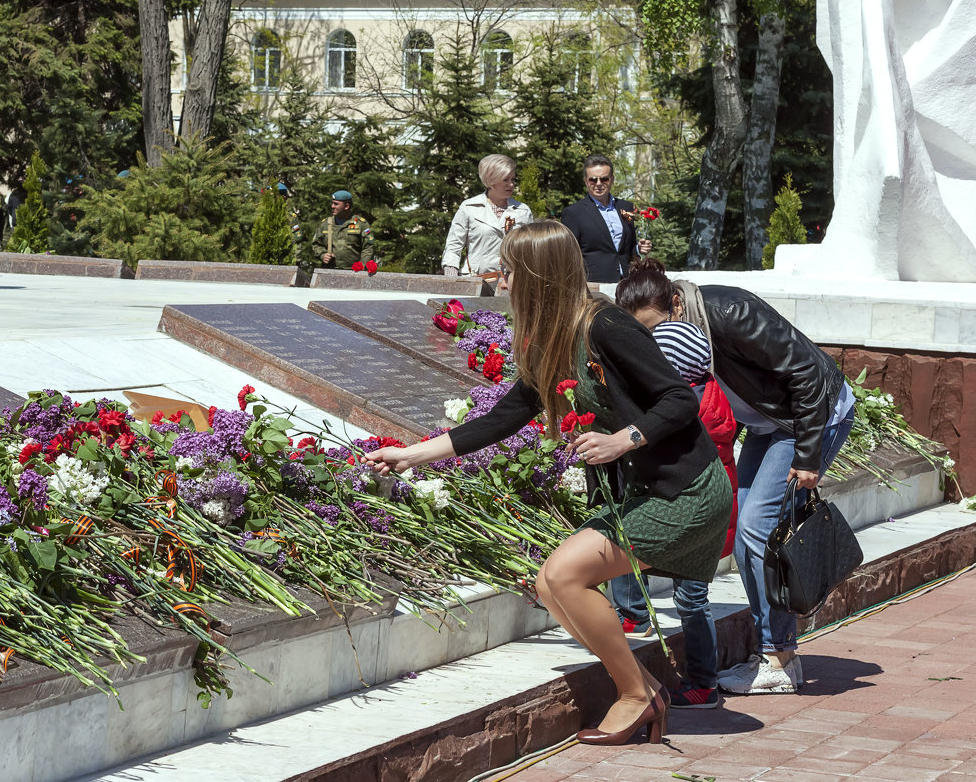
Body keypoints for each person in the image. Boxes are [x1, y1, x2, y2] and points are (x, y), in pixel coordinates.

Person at [365, 221, 732, 745]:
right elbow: (504, 417)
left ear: (539, 274)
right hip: (649, 492)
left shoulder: (607, 325)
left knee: (563, 576)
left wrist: (623, 439)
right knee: (550, 584)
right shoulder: (553, 338)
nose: (502, 281)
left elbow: (677, 398)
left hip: (687, 491)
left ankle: (637, 696)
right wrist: (411, 455)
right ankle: (644, 691)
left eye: (509, 271)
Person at [637, 260, 856, 694]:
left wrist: (808, 457)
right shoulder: (685, 328)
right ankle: (776, 655)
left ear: (675, 303)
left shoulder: (728, 310)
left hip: (812, 418)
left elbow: (806, 374)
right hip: (769, 425)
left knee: (759, 527)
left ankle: (778, 658)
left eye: (657, 326)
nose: (657, 340)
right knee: (745, 535)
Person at [609, 262, 741, 710]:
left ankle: (702, 680)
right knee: (639, 551)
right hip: (692, 500)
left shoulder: (685, 405)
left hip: (693, 504)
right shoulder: (701, 384)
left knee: (689, 593)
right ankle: (638, 619)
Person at [560, 156, 652, 283]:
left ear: (612, 179)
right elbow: (568, 255)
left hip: (626, 281)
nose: (598, 184)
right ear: (586, 181)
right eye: (593, 180)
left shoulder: (626, 207)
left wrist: (638, 249)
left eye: (604, 179)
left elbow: (628, 245)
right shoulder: (574, 213)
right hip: (593, 283)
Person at [441, 154, 534, 276]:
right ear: (491, 180)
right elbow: (454, 245)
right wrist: (451, 275)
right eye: (505, 180)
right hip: (475, 279)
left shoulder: (523, 211)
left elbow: (531, 249)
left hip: (511, 280)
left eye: (513, 179)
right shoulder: (469, 207)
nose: (511, 184)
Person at [308, 190, 375, 269]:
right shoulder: (326, 224)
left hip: (353, 271)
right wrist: (322, 255)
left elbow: (368, 248)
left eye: (336, 204)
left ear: (346, 206)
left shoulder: (360, 224)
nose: (332, 206)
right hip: (329, 271)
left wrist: (362, 266)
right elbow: (316, 244)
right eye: (332, 203)